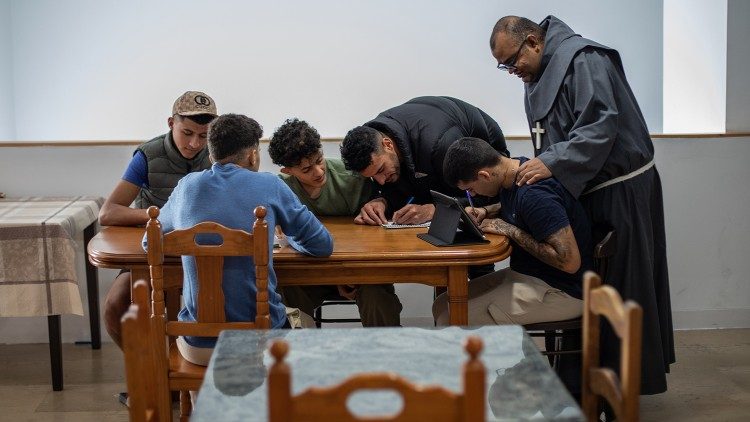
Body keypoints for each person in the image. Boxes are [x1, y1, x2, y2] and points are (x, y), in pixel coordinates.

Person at [489, 15, 674, 394]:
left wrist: (552, 163)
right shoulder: (537, 73)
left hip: (619, 192)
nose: (512, 70)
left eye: (512, 61)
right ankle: (576, 380)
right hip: (585, 189)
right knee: (580, 280)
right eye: (503, 66)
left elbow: (598, 126)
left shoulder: (584, 59)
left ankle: (619, 384)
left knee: (620, 287)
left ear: (534, 42)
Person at [145, 113, 333, 366]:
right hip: (260, 340)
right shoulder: (270, 185)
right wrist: (289, 235)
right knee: (306, 324)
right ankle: (280, 400)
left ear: (211, 156)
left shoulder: (186, 187)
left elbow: (149, 243)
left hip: (197, 346)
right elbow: (322, 245)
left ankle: (200, 399)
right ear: (253, 155)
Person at [99, 90, 218, 349]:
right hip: (152, 251)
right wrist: (164, 216)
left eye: (203, 136)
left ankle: (193, 377)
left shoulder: (217, 154)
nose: (195, 144)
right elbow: (108, 212)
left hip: (204, 253)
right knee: (116, 306)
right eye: (187, 133)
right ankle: (150, 379)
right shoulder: (147, 155)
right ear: (170, 123)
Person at [433, 137, 592, 329]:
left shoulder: (535, 194)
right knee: (441, 303)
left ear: (484, 175)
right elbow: (520, 207)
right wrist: (486, 211)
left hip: (562, 291)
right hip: (530, 275)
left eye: (471, 190)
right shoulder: (513, 172)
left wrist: (509, 230)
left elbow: (569, 262)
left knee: (449, 318)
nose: (473, 196)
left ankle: (484, 358)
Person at [268, 118, 402, 326]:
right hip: (310, 271)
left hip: (359, 270)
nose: (319, 172)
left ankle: (384, 350)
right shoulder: (282, 189)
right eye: (306, 170)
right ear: (288, 171)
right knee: (286, 286)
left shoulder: (354, 178)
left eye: (319, 160)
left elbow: (376, 237)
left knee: (375, 289)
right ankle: (299, 351)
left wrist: (348, 272)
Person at [339, 96, 509, 226]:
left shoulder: (442, 145)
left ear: (388, 144)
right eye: (373, 177)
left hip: (488, 173)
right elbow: (403, 184)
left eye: (380, 170)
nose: (381, 181)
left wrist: (434, 210)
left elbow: (480, 193)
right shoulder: (377, 136)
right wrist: (382, 201)